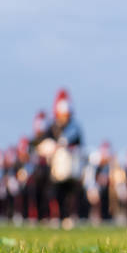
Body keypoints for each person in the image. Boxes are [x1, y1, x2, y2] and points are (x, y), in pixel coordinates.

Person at [44, 89, 83, 227]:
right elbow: (44, 143)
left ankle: (69, 217)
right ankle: (57, 216)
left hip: (72, 166)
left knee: (71, 194)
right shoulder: (52, 127)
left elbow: (80, 144)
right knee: (56, 192)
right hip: (57, 167)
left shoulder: (75, 128)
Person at [28, 111, 52, 221]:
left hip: (47, 171)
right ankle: (36, 216)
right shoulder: (33, 142)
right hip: (36, 172)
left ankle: (46, 216)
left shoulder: (49, 139)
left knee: (47, 195)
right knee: (35, 195)